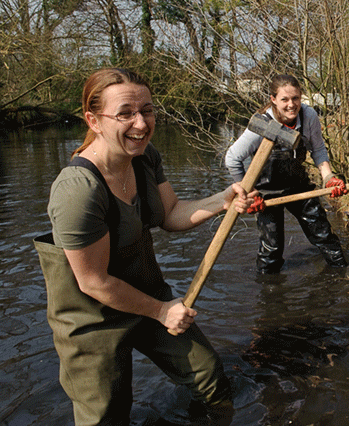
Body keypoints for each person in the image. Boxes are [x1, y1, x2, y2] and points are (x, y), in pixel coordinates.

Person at [35, 68, 251, 426]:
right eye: (125, 113)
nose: (141, 123)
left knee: (210, 377)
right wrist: (162, 312)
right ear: (94, 119)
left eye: (147, 110)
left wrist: (221, 200)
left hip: (147, 295)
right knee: (107, 416)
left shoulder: (145, 157)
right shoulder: (78, 189)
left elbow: (169, 213)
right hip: (93, 320)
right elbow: (93, 282)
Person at [225, 74, 348, 274]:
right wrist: (247, 193)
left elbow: (317, 150)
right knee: (271, 250)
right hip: (265, 194)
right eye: (285, 100)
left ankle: (342, 277)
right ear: (273, 99)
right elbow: (232, 158)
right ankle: (270, 296)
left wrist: (328, 178)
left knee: (325, 236)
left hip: (298, 186)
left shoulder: (308, 116)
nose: (291, 105)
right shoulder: (261, 123)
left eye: (296, 99)